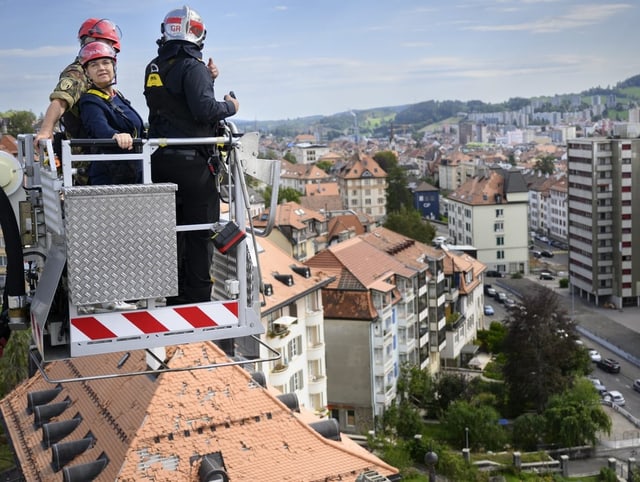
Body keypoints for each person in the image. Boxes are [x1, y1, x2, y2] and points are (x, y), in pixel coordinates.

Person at [144, 5, 239, 305]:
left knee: (170, 232)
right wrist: (231, 107)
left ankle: (171, 292)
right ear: (198, 35)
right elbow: (203, 111)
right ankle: (196, 296)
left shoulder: (154, 67)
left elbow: (174, 106)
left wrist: (206, 78)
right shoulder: (192, 66)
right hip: (193, 166)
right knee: (200, 231)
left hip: (159, 161)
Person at [35, 18, 122, 145]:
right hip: (87, 152)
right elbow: (60, 100)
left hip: (105, 147)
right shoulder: (78, 72)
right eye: (107, 43)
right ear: (90, 41)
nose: (109, 49)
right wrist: (46, 130)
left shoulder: (103, 78)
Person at [77, 42, 144, 185]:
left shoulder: (117, 96)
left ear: (113, 66)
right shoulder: (90, 101)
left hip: (134, 170)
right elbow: (98, 127)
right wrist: (115, 135)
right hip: (109, 176)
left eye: (105, 62)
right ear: (87, 72)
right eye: (94, 65)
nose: (101, 68)